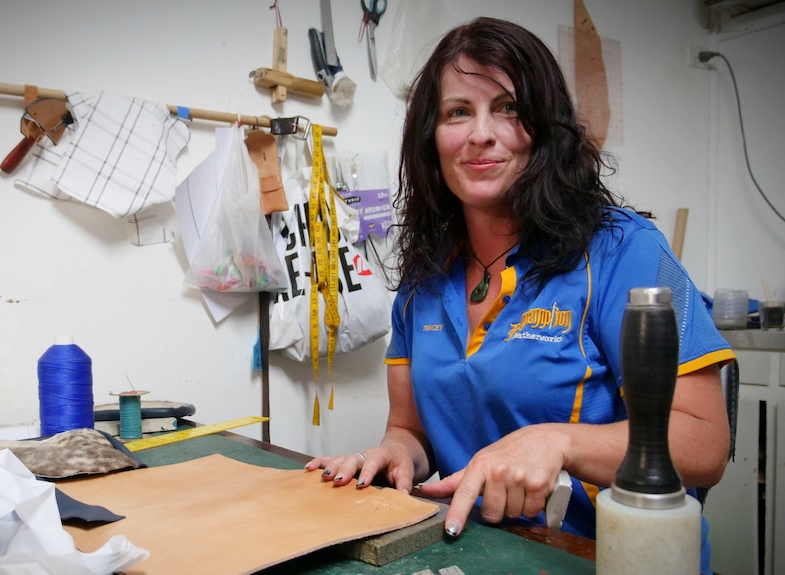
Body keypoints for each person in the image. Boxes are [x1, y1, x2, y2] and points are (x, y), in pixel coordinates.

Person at [304, 16, 736, 574]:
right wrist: (393, 455)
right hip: (481, 555)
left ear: (545, 127)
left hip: (614, 558)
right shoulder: (423, 278)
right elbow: (411, 430)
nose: (480, 133)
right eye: (458, 112)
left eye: (506, 107)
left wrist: (557, 442)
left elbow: (704, 444)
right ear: (431, 140)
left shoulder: (621, 250)